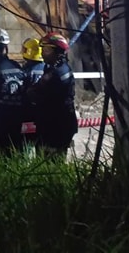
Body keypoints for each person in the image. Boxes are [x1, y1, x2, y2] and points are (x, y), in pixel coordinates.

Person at [28, 33, 78, 161]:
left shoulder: (54, 74)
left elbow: (35, 92)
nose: (43, 53)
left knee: (48, 162)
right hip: (62, 123)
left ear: (56, 51)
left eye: (46, 50)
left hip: (54, 126)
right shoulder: (63, 68)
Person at [20, 37, 45, 148]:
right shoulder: (47, 68)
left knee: (25, 146)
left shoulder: (25, 71)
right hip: (42, 113)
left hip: (27, 112)